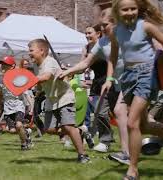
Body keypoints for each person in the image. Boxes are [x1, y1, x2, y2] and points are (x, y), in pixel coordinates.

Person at [101, 0, 163, 179]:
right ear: (117, 12)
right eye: (125, 9)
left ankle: (133, 170)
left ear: (139, 9)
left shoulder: (146, 26)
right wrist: (109, 78)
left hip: (147, 74)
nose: (130, 12)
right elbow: (113, 58)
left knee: (132, 123)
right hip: (128, 77)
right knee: (143, 126)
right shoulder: (115, 32)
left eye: (133, 8)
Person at [58, 8, 130, 165]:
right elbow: (85, 63)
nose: (102, 29)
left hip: (135, 78)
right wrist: (68, 71)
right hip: (118, 83)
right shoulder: (103, 43)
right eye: (101, 25)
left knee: (121, 112)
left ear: (115, 23)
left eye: (105, 25)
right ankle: (127, 152)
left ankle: (126, 153)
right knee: (138, 121)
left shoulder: (126, 36)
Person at [28, 39, 89, 163]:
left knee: (67, 125)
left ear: (42, 51)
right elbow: (41, 83)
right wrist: (38, 90)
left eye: (31, 50)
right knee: (48, 129)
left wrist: (29, 80)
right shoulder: (35, 65)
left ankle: (83, 156)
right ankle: (79, 131)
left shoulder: (50, 61)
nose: (29, 53)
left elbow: (46, 77)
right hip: (51, 99)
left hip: (64, 97)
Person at [0, 56, 32, 150]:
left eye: (5, 64)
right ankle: (26, 133)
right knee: (11, 130)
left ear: (12, 66)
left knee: (19, 125)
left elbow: (26, 93)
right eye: (1, 64)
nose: (2, 66)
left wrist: (31, 106)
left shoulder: (18, 78)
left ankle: (24, 144)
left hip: (18, 103)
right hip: (7, 106)